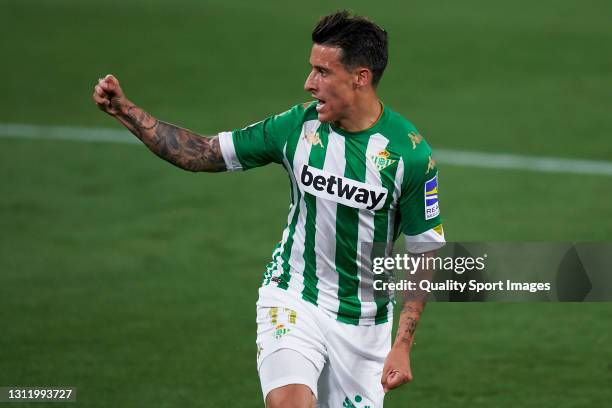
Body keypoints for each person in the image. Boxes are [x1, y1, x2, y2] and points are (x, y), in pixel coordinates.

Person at [92, 10, 444, 408]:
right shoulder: (296, 127)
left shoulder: (410, 156)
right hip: (294, 296)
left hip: (364, 327)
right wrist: (127, 111)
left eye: (323, 72)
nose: (309, 83)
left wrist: (402, 344)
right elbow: (204, 153)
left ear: (360, 77)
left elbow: (425, 252)